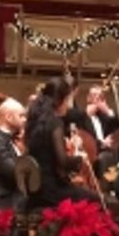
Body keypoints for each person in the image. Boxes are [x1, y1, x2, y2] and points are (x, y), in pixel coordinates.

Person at [25, 76, 98, 207]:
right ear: (60, 100)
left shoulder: (34, 120)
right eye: (68, 100)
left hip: (35, 188)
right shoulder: (54, 122)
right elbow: (63, 161)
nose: (69, 105)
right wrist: (80, 158)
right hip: (52, 189)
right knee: (95, 200)